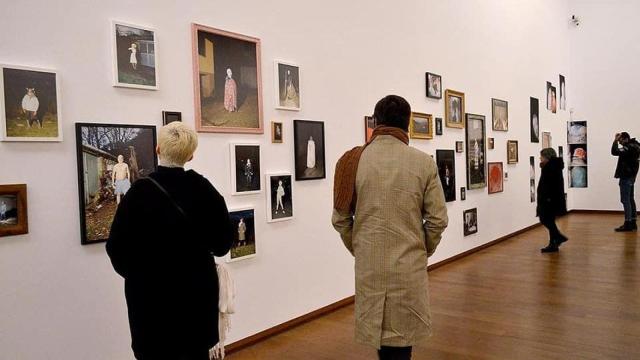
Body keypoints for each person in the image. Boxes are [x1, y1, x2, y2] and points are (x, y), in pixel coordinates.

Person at [332, 95, 448, 360]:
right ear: (407, 124)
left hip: (370, 266)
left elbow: (340, 219)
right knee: (401, 343)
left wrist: (360, 246)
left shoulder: (351, 162)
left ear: (375, 121)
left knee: (382, 343)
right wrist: (422, 250)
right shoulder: (423, 163)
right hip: (408, 268)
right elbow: (438, 220)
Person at [106, 122, 233, 360]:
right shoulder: (205, 190)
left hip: (150, 305)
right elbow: (222, 244)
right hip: (195, 301)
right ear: (191, 155)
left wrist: (142, 278)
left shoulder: (138, 194)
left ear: (157, 149)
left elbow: (116, 250)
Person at [537, 148, 568, 253]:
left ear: (547, 157)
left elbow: (550, 185)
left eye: (541, 156)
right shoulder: (553, 166)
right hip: (552, 198)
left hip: (549, 199)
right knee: (549, 220)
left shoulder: (550, 168)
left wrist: (547, 198)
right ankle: (553, 243)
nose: (540, 158)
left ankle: (558, 237)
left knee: (545, 219)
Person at [611, 132, 640, 231]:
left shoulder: (629, 147)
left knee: (625, 200)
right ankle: (633, 222)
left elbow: (614, 151)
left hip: (626, 177)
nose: (620, 143)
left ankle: (628, 223)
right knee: (630, 199)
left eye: (620, 140)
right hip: (631, 177)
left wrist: (615, 140)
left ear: (626, 139)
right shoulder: (636, 146)